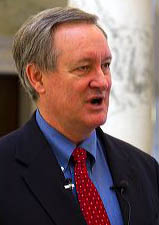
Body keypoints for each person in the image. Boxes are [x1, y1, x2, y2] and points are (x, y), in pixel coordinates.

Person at [0, 7, 158, 225]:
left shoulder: (146, 170)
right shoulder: (5, 169)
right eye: (84, 68)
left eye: (106, 66)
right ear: (37, 77)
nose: (102, 81)